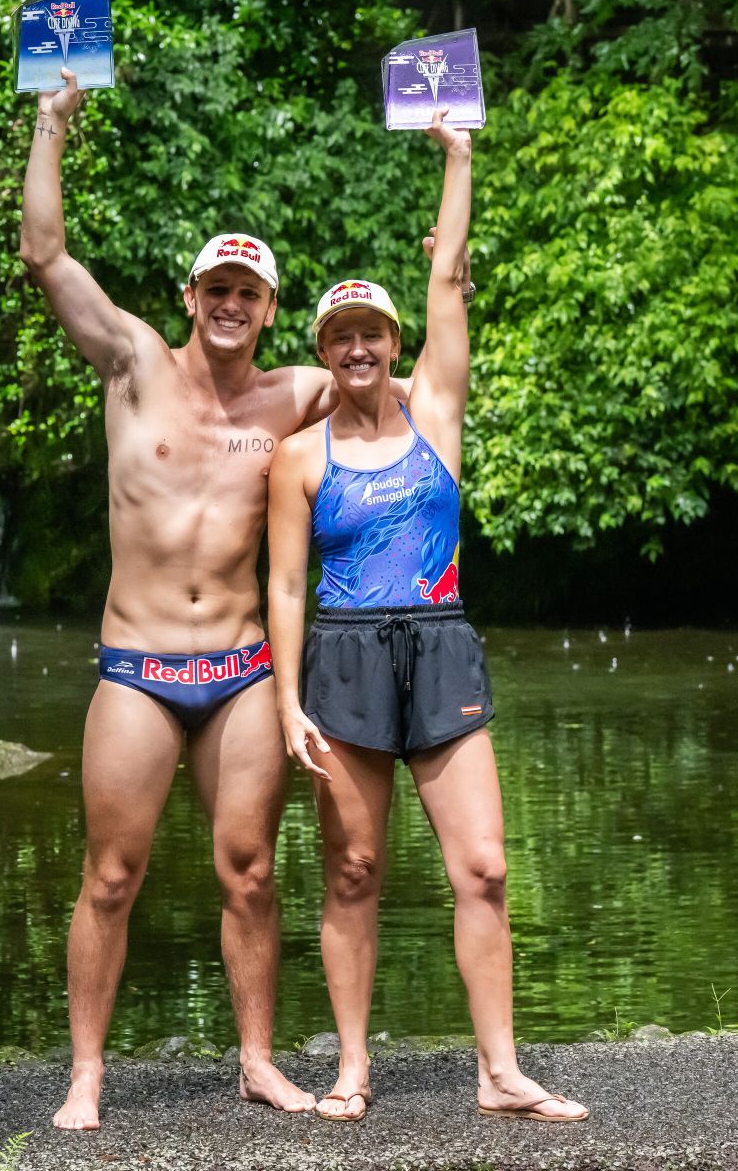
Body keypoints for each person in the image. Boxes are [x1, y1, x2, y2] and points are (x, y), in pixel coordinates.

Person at [20, 67, 377, 1129]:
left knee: (252, 870)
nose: (230, 306)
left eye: (250, 295)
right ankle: (85, 1071)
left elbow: (396, 369)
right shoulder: (132, 362)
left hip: (242, 670)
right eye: (215, 290)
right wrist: (51, 123)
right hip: (136, 663)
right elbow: (45, 252)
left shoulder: (300, 395)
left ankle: (259, 1058)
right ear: (190, 299)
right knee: (113, 874)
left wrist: (437, 245)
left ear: (272, 312)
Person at [265, 110, 589, 1124]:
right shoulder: (299, 455)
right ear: (323, 349)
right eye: (340, 334)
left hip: (440, 639)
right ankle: (354, 1065)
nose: (358, 346)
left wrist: (459, 155)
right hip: (347, 656)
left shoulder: (435, 414)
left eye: (373, 331)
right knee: (354, 867)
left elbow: (448, 278)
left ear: (394, 342)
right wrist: (285, 705)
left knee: (484, 865)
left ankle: (500, 1072)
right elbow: (282, 589)